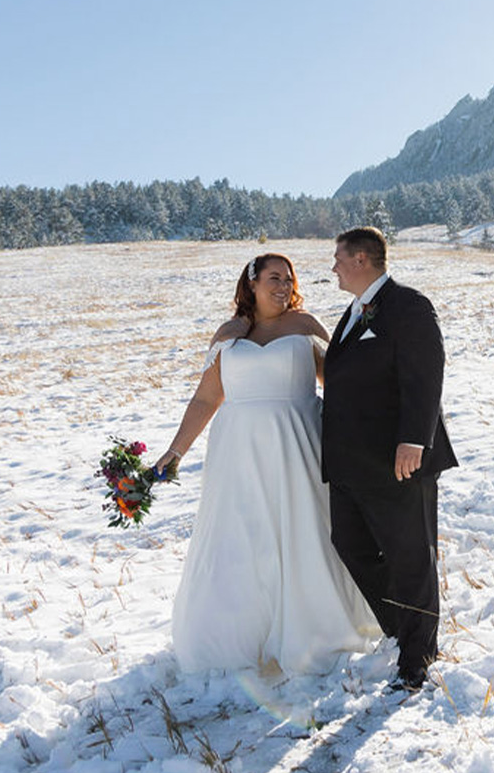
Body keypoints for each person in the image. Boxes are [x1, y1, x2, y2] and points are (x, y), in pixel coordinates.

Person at [153, 253, 378, 675]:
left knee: (305, 528)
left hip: (298, 443)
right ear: (252, 283)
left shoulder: (306, 326)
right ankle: (241, 634)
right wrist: (175, 451)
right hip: (238, 452)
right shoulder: (228, 334)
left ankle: (317, 629)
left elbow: (341, 384)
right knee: (243, 535)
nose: (283, 285)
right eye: (274, 278)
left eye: (288, 279)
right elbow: (206, 399)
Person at [322, 227, 457, 692]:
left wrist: (414, 439)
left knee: (411, 557)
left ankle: (417, 658)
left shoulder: (407, 305)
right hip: (351, 464)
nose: (333, 266)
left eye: (337, 257)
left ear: (361, 259)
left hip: (398, 459)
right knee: (350, 545)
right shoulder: (352, 313)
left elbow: (426, 372)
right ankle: (403, 627)